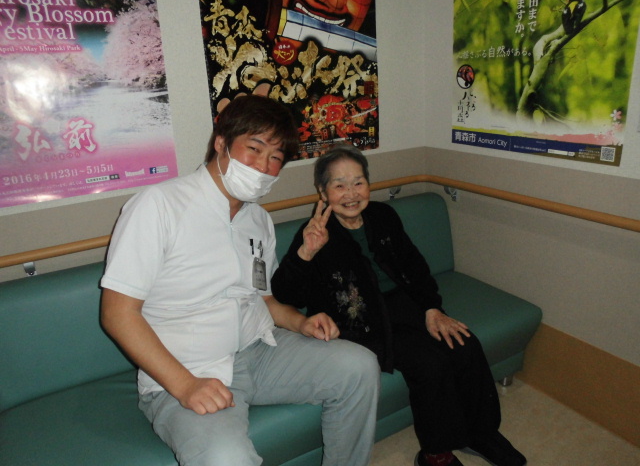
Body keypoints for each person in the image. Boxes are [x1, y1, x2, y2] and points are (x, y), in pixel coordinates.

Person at [100, 96, 380, 466]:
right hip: (188, 367)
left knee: (360, 366)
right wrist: (185, 385)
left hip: (259, 350)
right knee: (225, 457)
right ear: (221, 142)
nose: (264, 166)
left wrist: (300, 322)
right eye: (254, 148)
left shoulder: (257, 220)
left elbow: (263, 298)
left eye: (276, 157)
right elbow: (118, 314)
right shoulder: (158, 205)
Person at [271, 145, 527, 466]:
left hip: (404, 307)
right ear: (322, 192)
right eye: (339, 185)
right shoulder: (315, 233)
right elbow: (286, 296)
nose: (351, 193)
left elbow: (415, 267)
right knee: (429, 363)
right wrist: (306, 252)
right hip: (360, 326)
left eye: (358, 182)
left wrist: (432, 308)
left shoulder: (383, 216)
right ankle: (435, 453)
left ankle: (480, 433)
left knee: (464, 343)